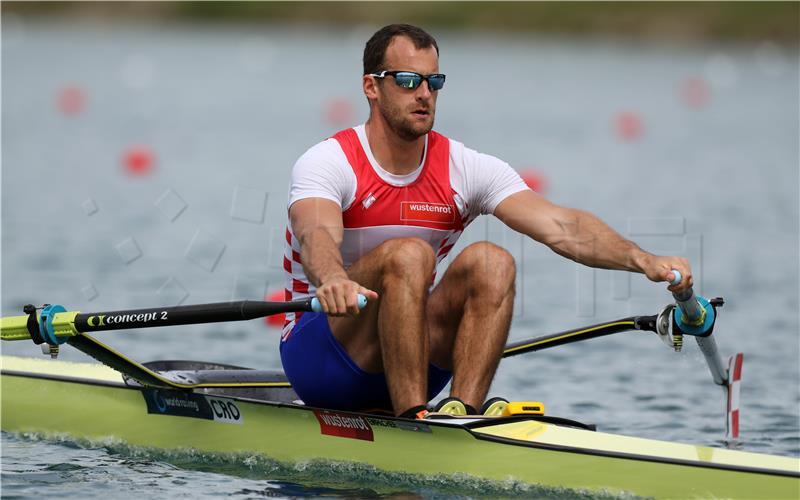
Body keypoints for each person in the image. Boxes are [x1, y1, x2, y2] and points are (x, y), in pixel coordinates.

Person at [279, 24, 693, 418]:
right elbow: (315, 234)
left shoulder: (464, 167)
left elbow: (563, 227)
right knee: (409, 255)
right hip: (324, 357)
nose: (424, 94)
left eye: (434, 82)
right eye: (408, 81)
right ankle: (413, 416)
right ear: (372, 86)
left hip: (415, 355)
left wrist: (642, 260)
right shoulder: (329, 161)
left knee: (493, 261)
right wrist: (333, 277)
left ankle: (463, 412)